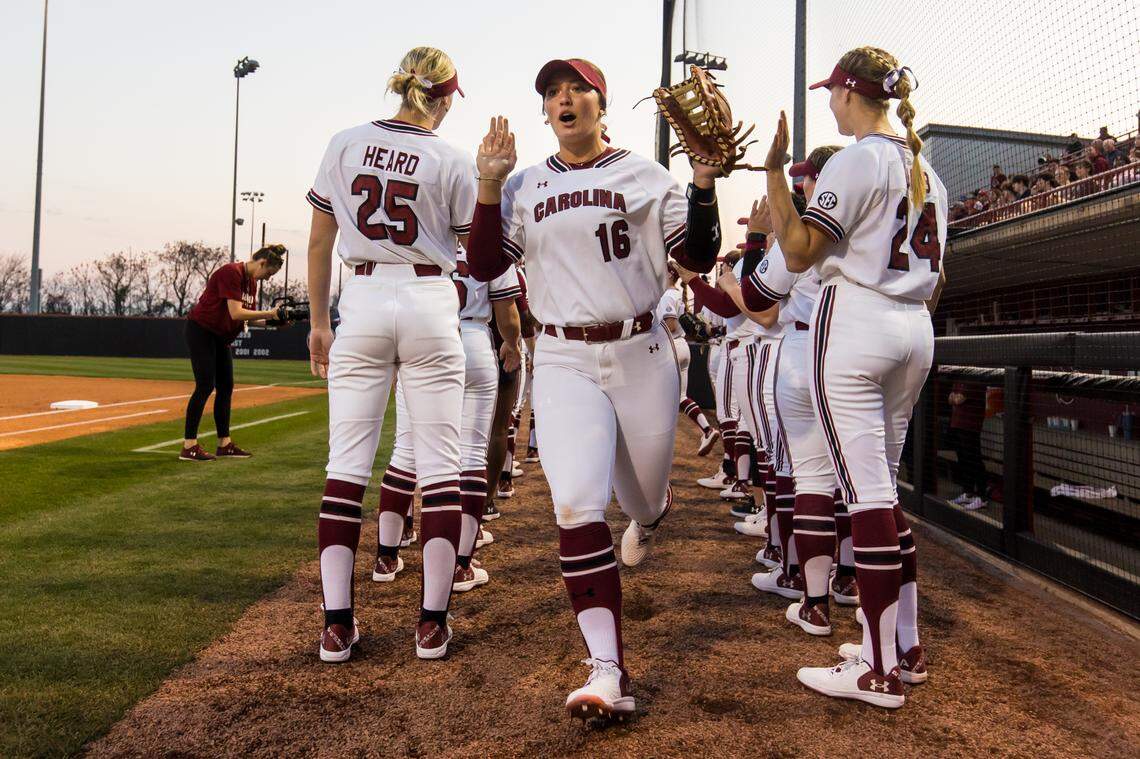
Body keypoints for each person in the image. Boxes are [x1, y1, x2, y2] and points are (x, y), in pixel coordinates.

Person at [465, 58, 723, 721]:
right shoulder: (524, 184)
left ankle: (650, 506)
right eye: (551, 92)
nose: (563, 98)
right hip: (562, 357)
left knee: (638, 497)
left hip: (641, 351)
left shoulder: (643, 173)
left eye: (576, 88)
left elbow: (695, 255)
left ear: (601, 103)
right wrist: (489, 186)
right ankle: (607, 668)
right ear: (546, 113)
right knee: (577, 503)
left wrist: (701, 182)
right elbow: (487, 263)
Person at [746, 45, 947, 708]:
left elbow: (800, 251)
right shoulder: (927, 169)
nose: (828, 102)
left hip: (857, 322)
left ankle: (879, 668)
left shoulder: (860, 156)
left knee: (865, 497)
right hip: (915, 324)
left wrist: (775, 172)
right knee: (883, 492)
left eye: (831, 92)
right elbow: (940, 279)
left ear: (847, 91)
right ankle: (905, 647)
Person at [305, 45, 473, 663]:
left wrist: (319, 321)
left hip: (366, 295)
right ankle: (430, 624)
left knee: (345, 467)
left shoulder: (345, 141)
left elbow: (320, 241)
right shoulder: (451, 156)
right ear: (447, 96)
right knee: (441, 466)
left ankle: (337, 625)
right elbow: (473, 247)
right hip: (430, 296)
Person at [369, 247, 522, 591]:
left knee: (406, 451)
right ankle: (459, 565)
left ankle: (386, 556)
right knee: (470, 455)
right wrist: (511, 343)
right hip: (473, 340)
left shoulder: (423, 237)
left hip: (424, 341)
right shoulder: (486, 241)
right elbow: (507, 312)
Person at [180, 245, 284, 462]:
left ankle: (224, 444)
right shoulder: (231, 272)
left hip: (220, 336)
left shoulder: (251, 282)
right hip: (202, 330)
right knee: (205, 385)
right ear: (262, 263)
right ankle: (189, 446)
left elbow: (249, 318)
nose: (268, 278)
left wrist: (275, 321)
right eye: (269, 273)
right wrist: (270, 312)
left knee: (226, 387)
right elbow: (236, 312)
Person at [657, 267, 720, 454]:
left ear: (669, 274)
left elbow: (671, 323)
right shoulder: (676, 293)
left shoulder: (667, 295)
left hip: (672, 347)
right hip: (682, 346)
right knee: (681, 397)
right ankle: (707, 430)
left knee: (658, 397)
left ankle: (658, 444)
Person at [948, 382, 987, 510]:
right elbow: (950, 398)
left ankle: (982, 497)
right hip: (957, 423)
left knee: (974, 459)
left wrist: (956, 398)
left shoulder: (975, 376)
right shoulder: (960, 376)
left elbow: (958, 399)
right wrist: (955, 397)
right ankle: (968, 493)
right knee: (963, 460)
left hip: (970, 424)